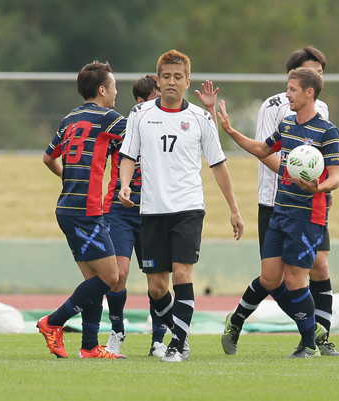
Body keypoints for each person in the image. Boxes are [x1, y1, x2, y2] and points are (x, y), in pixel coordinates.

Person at [118, 49, 244, 363]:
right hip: (151, 210)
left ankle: (178, 344)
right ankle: (180, 329)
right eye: (166, 77)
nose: (172, 82)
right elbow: (128, 156)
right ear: (158, 80)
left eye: (178, 77)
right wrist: (123, 184)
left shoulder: (200, 118)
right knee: (157, 287)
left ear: (187, 81)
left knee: (181, 273)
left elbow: (218, 164)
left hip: (188, 208)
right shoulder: (141, 114)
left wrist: (234, 208)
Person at [218, 67, 339, 358]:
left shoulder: (327, 131)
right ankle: (235, 321)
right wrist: (230, 130)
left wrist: (319, 187)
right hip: (280, 212)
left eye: (292, 89)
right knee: (270, 278)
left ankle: (309, 344)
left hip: (308, 217)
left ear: (309, 93)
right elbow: (263, 149)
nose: (287, 94)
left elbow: (336, 177)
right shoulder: (287, 125)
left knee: (295, 281)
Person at [255, 46, 339, 356]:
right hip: (275, 199)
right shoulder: (273, 106)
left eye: (322, 71)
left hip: (313, 201)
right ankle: (307, 333)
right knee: (276, 276)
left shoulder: (323, 111)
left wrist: (317, 186)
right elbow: (266, 150)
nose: (319, 77)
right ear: (295, 75)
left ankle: (320, 340)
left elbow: (320, 160)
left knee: (320, 266)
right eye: (312, 70)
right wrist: (291, 175)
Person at [38, 60, 127, 359]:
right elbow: (137, 138)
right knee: (110, 277)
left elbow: (48, 158)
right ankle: (53, 322)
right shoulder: (109, 118)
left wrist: (71, 175)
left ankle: (89, 346)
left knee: (94, 281)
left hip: (67, 207)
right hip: (84, 211)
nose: (117, 92)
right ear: (102, 90)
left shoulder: (69, 118)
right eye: (114, 87)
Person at [102, 75, 166, 356]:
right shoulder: (122, 129)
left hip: (153, 210)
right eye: (155, 97)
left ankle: (158, 340)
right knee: (118, 275)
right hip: (121, 210)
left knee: (158, 284)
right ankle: (117, 331)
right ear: (140, 102)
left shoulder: (167, 128)